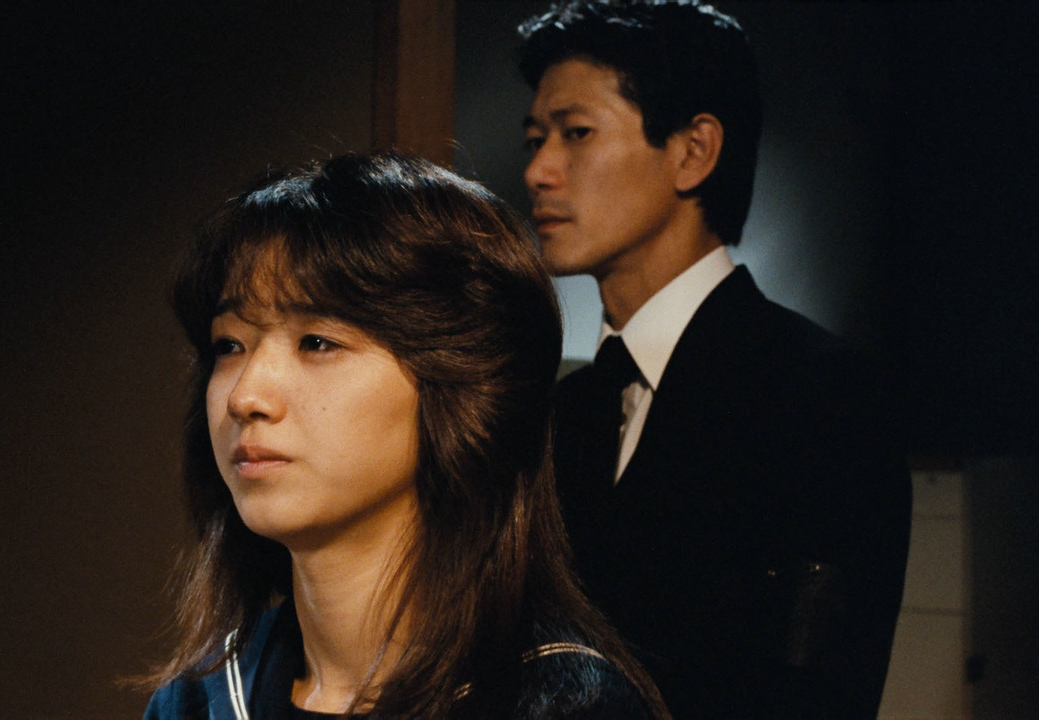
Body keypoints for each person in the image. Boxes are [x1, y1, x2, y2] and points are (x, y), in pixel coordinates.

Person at [142, 153, 670, 719]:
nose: (246, 396)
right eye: (229, 346)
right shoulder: (195, 702)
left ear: (462, 382)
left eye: (317, 342)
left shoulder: (563, 707)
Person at [517, 2, 912, 718]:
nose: (539, 170)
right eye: (535, 139)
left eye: (576, 133)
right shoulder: (564, 410)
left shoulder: (821, 394)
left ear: (693, 151)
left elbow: (815, 692)